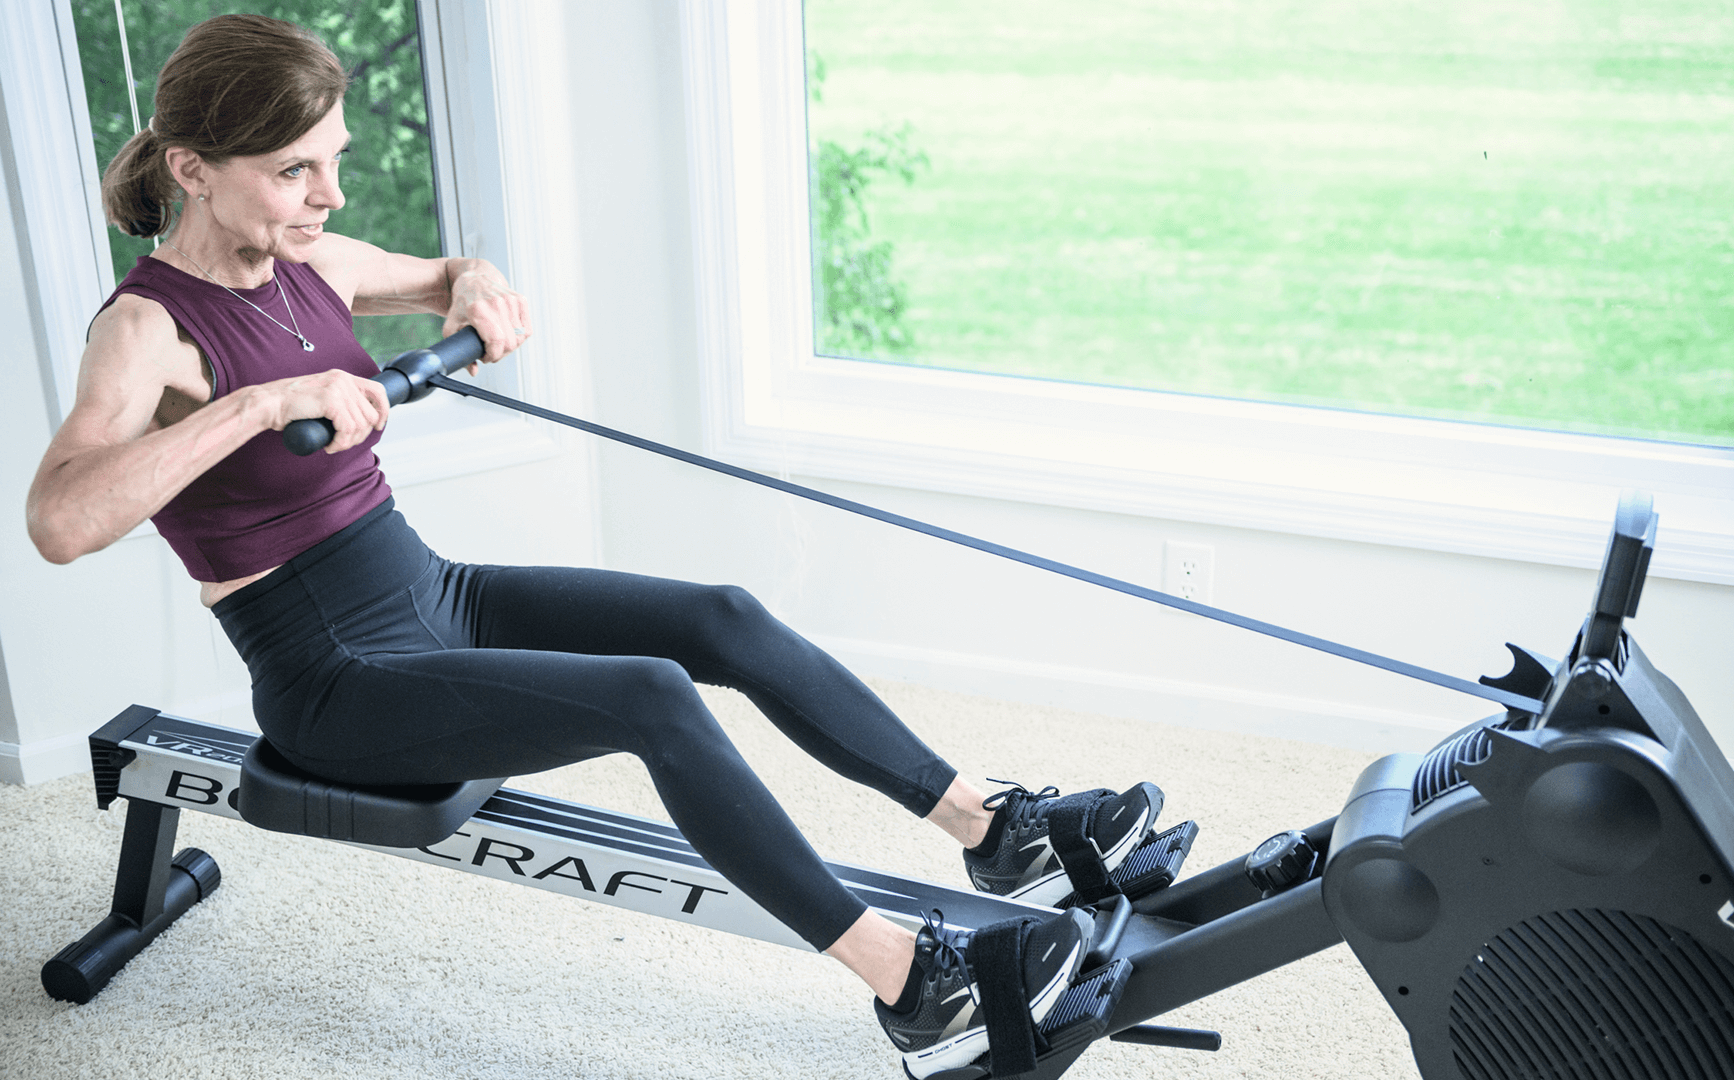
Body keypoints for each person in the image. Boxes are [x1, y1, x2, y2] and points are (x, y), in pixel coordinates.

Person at [24, 15, 1165, 1078]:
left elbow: (446, 277)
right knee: (649, 695)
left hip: (432, 592)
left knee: (718, 615)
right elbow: (60, 521)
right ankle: (910, 983)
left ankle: (993, 830)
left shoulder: (310, 259)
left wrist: (476, 284)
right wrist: (255, 408)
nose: (330, 194)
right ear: (193, 169)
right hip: (334, 678)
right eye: (294, 172)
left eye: (335, 160)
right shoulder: (146, 329)